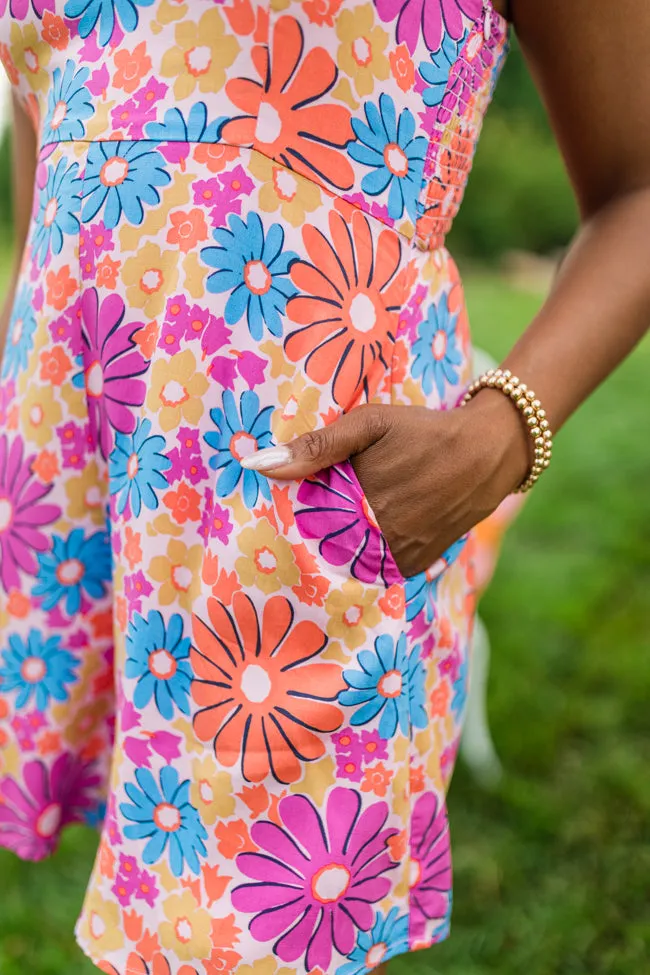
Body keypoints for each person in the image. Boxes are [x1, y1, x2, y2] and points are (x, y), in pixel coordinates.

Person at [0, 0, 648, 972]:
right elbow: (49, 149)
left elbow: (637, 187)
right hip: (80, 496)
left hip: (292, 505)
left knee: (251, 935)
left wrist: (503, 430)